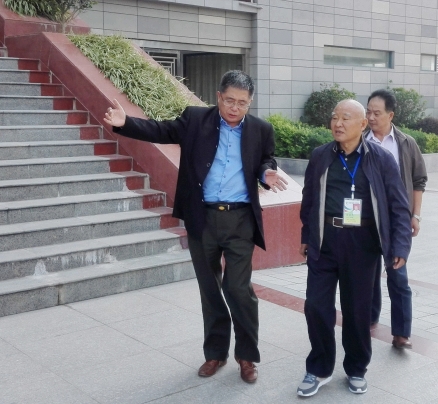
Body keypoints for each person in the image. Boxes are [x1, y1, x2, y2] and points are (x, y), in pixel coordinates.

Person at [103, 70, 287, 384]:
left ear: (250, 103)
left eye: (242, 103)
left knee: (238, 289)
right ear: (219, 97)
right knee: (209, 288)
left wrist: (266, 173)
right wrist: (126, 123)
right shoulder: (196, 119)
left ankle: (246, 356)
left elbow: (265, 160)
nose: (235, 107)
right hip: (202, 218)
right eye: (230, 100)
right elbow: (161, 130)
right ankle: (215, 353)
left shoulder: (260, 129)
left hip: (240, 219)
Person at [296, 99, 412, 397]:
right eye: (335, 117)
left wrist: (400, 245)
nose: (338, 123)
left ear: (362, 124)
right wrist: (307, 235)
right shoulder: (320, 156)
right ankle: (319, 368)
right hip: (325, 240)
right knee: (316, 306)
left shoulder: (381, 159)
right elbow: (309, 200)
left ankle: (357, 368)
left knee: (357, 310)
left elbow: (399, 206)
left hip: (362, 243)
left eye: (346, 118)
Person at [366, 89, 427, 350]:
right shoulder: (359, 141)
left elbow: (418, 180)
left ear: (390, 115)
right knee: (367, 274)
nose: (371, 117)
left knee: (398, 274)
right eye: (368, 112)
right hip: (366, 219)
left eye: (376, 113)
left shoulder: (406, 143)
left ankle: (401, 332)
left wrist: (415, 215)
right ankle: (369, 317)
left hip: (396, 219)